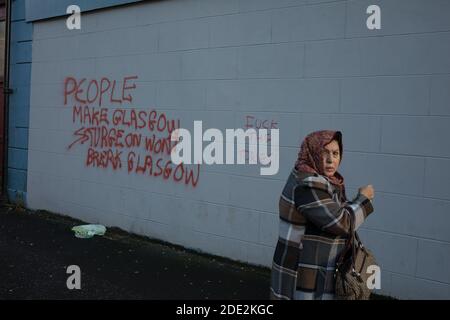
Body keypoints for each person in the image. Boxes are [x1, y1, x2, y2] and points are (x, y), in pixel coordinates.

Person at [270, 130, 375, 300]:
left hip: (311, 268)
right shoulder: (309, 184)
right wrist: (364, 199)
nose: (330, 160)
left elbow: (331, 212)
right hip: (304, 274)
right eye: (324, 152)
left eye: (335, 153)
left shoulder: (318, 179)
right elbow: (342, 222)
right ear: (312, 152)